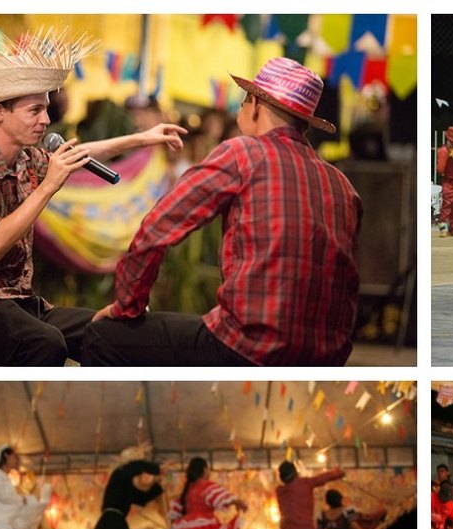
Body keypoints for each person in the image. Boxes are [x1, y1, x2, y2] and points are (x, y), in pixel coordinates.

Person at [0, 29, 185, 366]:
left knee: (107, 331)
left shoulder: (26, 157)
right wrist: (47, 187)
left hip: (18, 303)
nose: (47, 120)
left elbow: (77, 152)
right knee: (46, 343)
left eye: (46, 109)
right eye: (35, 110)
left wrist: (143, 138)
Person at [84, 57, 361, 367]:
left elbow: (157, 228)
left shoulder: (243, 152)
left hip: (248, 347)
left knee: (103, 336)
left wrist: (127, 305)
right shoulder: (343, 186)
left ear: (255, 104)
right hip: (326, 358)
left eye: (243, 101)